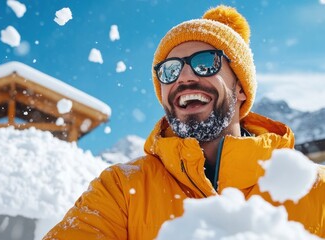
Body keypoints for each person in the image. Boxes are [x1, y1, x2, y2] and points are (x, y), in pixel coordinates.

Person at [44, 5, 325, 239]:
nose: (184, 77)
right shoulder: (121, 189)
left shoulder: (316, 190)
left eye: (205, 63)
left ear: (241, 88)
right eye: (169, 70)